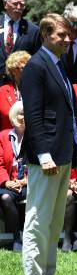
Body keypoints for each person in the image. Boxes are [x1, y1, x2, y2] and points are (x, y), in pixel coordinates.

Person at [20, 13, 77, 275]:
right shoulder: (35, 66)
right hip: (47, 157)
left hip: (62, 154)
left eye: (68, 35)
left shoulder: (59, 63)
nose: (67, 39)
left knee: (53, 221)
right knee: (38, 218)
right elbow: (33, 115)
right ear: (45, 36)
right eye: (60, 35)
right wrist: (43, 154)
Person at [0, 101, 26, 252]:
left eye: (26, 114)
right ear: (14, 116)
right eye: (21, 113)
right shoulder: (3, 136)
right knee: (5, 198)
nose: (23, 117)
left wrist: (25, 181)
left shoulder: (34, 137)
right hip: (10, 183)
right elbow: (0, 164)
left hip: (30, 183)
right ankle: (17, 237)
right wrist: (7, 182)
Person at [1, 0, 40, 81]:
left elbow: (37, 59)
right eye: (15, 4)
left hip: (21, 84)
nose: (18, 7)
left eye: (21, 4)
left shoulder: (33, 30)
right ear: (5, 4)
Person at [0, 51, 29, 130]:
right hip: (8, 138)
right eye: (23, 68)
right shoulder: (2, 92)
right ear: (13, 71)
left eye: (29, 67)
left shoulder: (37, 89)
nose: (29, 70)